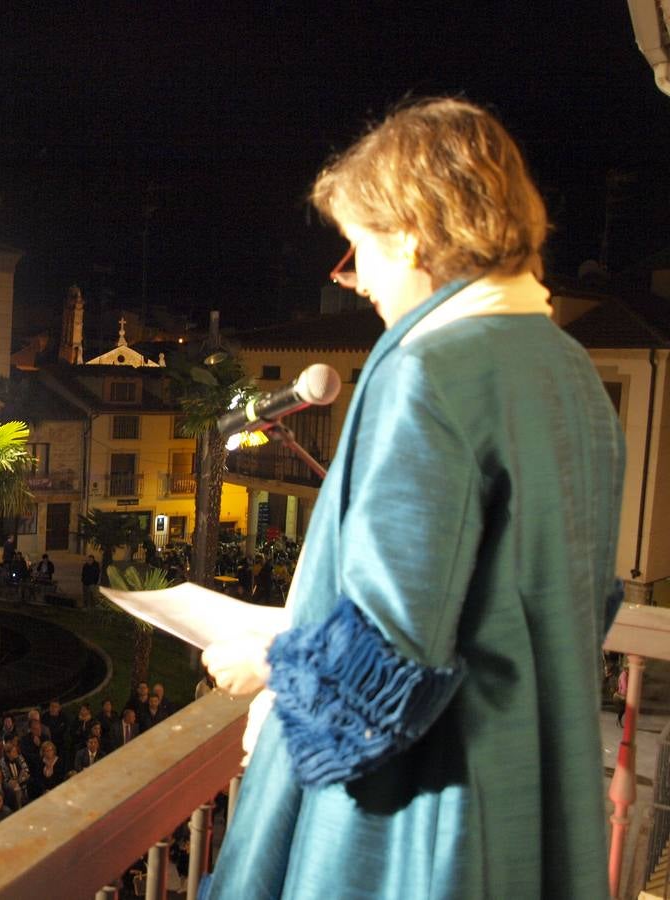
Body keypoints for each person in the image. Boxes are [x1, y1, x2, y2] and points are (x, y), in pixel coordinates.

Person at [200, 98, 625, 898]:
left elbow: (389, 658)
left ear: (413, 231)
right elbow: (580, 604)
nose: (356, 281)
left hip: (423, 824)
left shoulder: (428, 370)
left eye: (359, 247)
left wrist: (266, 659)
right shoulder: (572, 374)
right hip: (530, 790)